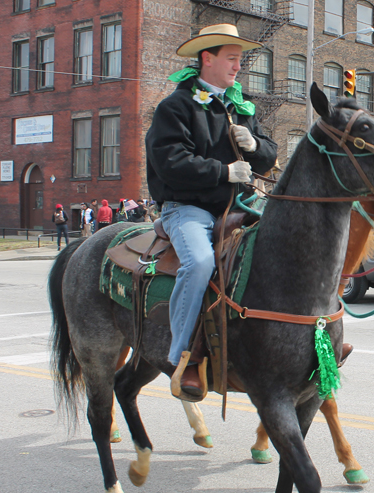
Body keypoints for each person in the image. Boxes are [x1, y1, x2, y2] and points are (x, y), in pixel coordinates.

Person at [145, 24, 278, 398]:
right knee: (201, 263)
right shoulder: (176, 106)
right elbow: (169, 161)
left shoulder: (241, 105)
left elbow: (268, 156)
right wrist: (223, 171)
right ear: (208, 58)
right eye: (232, 59)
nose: (238, 67)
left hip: (241, 206)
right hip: (190, 208)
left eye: (239, 60)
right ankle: (182, 355)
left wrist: (255, 146)